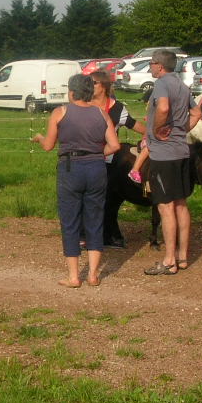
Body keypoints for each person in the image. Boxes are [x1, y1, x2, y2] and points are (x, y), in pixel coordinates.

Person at [31, 74, 120, 287]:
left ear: (71, 92)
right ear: (89, 92)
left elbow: (48, 146)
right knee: (95, 219)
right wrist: (98, 154)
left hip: (71, 169)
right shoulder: (101, 113)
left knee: (70, 221)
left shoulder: (60, 112)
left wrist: (40, 137)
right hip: (97, 168)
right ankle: (93, 274)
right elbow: (115, 146)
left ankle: (73, 277)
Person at [141, 50, 192, 276]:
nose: (150, 67)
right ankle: (182, 256)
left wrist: (156, 129)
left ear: (160, 66)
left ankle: (169, 260)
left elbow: (162, 108)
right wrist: (181, 130)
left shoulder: (161, 84)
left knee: (165, 206)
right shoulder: (182, 85)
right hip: (181, 150)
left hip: (164, 154)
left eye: (151, 63)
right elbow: (198, 111)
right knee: (181, 203)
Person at [90, 70, 143, 248]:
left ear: (103, 86)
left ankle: (109, 235)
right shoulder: (84, 105)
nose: (90, 86)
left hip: (108, 161)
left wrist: (153, 134)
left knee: (107, 199)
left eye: (94, 83)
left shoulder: (118, 108)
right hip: (87, 159)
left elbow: (133, 124)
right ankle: (90, 235)